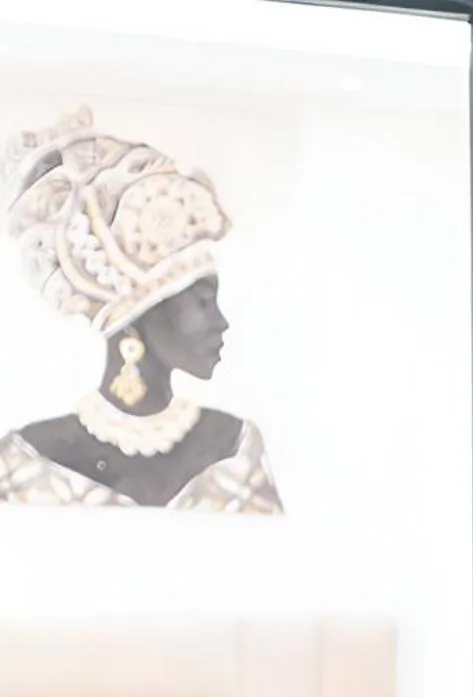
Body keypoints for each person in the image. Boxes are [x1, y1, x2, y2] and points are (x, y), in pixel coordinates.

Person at [0, 106, 283, 514]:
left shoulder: (235, 449)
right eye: (203, 301)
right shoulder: (25, 461)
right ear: (143, 312)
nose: (221, 321)